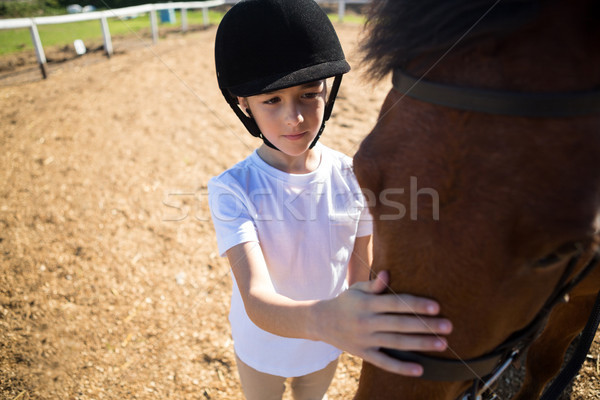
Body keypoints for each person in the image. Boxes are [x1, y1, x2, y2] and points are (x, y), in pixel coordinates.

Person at [208, 1, 453, 399]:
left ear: (328, 90)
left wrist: (379, 314)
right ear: (244, 105)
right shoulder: (231, 188)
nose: (295, 118)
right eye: (272, 100)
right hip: (261, 345)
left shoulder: (354, 176)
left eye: (309, 94)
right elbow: (255, 299)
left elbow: (360, 273)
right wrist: (327, 321)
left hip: (327, 345)